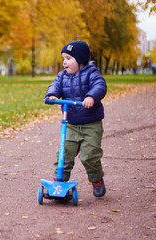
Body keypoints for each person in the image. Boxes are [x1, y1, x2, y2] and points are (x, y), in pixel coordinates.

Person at [45, 40, 107, 197]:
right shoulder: (62, 76)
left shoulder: (92, 73)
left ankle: (96, 179)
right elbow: (55, 86)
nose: (65, 62)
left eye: (69, 58)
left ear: (80, 60)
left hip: (90, 124)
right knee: (64, 154)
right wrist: (52, 95)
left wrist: (91, 97)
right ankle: (59, 184)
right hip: (71, 124)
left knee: (89, 155)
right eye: (63, 58)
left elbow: (100, 85)